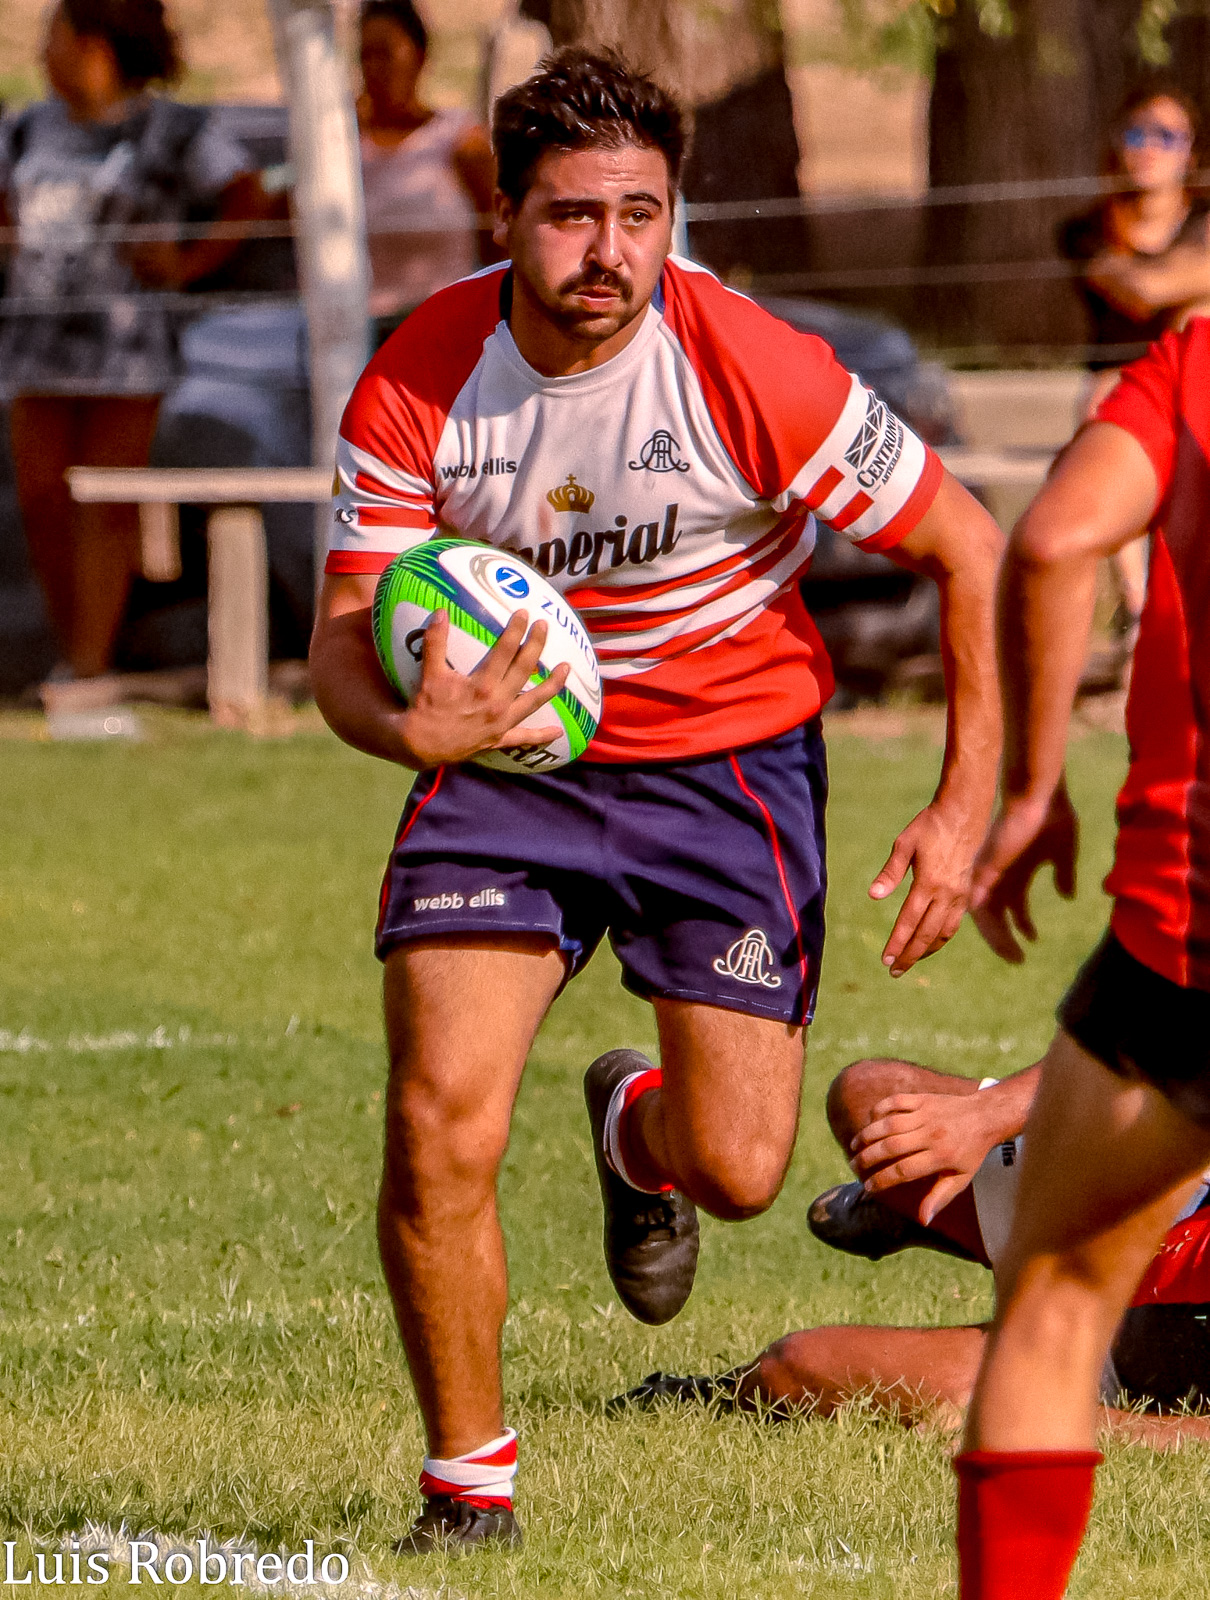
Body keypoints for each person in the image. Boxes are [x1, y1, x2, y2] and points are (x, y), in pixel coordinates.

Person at [309, 48, 1004, 1553]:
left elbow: (972, 545)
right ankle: (467, 1492)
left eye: (641, 212)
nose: (609, 250)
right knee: (438, 1125)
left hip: (725, 769)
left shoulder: (751, 364)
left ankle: (639, 1130)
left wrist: (965, 803)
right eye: (571, 215)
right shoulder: (419, 373)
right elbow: (337, 647)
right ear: (506, 217)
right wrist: (412, 726)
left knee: (741, 1171)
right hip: (503, 771)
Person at [943, 311, 1210, 1596]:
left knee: (1050, 1301)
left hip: (1182, 953)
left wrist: (1034, 786)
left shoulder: (1198, 364)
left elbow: (1051, 541)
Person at [612, 1055, 1210, 1449]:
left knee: (795, 1368)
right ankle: (922, 1216)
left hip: (1108, 1344)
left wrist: (1070, 1423)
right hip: (1148, 1202)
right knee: (874, 1103)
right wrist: (986, 1116)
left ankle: (704, 1392)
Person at [0, 0, 275, 687]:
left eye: (54, 38)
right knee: (42, 500)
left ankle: (90, 664)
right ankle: (75, 655)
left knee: (105, 504)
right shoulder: (24, 128)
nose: (43, 55)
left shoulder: (175, 128)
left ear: (97, 44)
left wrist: (187, 263)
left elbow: (252, 194)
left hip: (126, 350)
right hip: (34, 345)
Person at [1061, 84, 1210, 674]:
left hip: (1193, 382)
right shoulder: (1086, 229)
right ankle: (1140, 605)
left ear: (1191, 151)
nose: (1150, 147)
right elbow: (1144, 293)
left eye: (1167, 135)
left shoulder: (1202, 219)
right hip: (1122, 391)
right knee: (1101, 402)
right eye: (1136, 133)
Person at [357, 0, 498, 350]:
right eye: (365, 56)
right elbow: (271, 187)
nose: (375, 69)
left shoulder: (458, 138)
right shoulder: (338, 146)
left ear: (419, 57)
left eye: (386, 53)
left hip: (447, 330)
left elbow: (500, 238)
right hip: (360, 337)